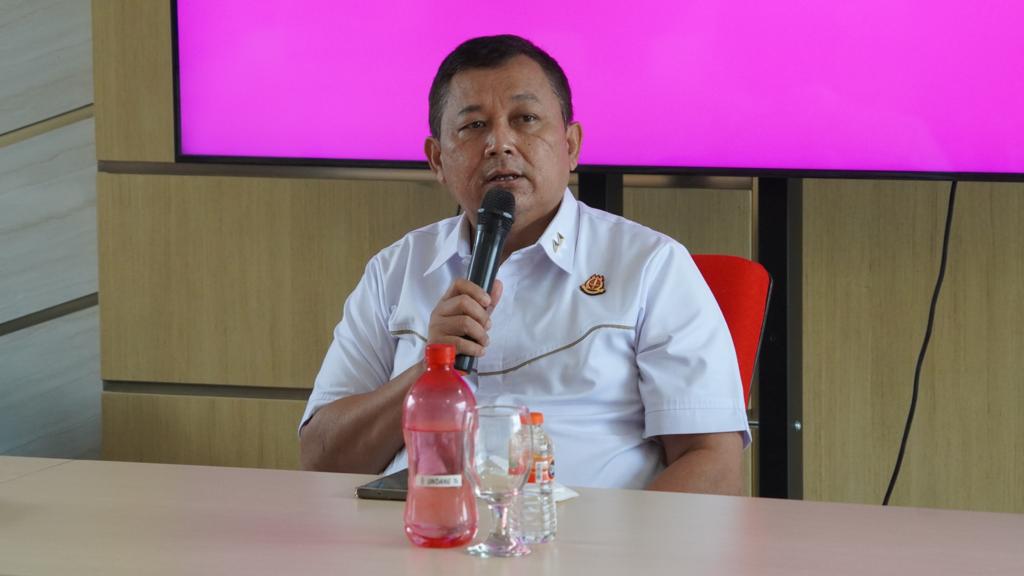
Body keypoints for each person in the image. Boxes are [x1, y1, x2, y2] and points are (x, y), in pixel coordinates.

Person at [299, 34, 749, 494]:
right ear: (437, 160)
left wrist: (611, 539)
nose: (500, 143)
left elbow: (713, 463)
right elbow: (321, 458)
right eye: (473, 126)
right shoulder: (394, 272)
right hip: (420, 529)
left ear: (571, 145)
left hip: (588, 535)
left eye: (526, 119)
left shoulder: (651, 265)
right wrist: (428, 375)